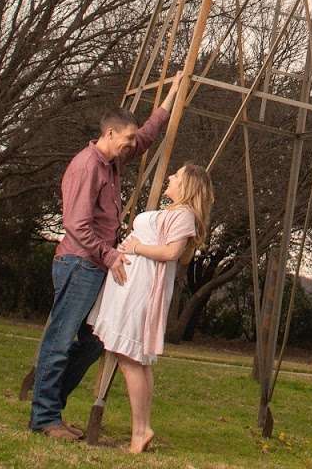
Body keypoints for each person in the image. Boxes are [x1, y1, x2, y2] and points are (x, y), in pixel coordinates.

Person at [28, 80, 179, 441]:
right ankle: (45, 418)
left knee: (94, 341)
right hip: (79, 264)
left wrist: (172, 97)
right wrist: (110, 255)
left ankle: (51, 410)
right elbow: (76, 224)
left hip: (95, 267)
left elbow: (143, 137)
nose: (130, 144)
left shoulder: (112, 159)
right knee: (61, 339)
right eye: (124, 138)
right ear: (109, 134)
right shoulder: (87, 167)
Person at [87, 162, 214, 454]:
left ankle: (141, 430)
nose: (170, 176)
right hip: (129, 284)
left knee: (130, 358)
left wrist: (135, 248)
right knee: (133, 359)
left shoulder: (184, 215)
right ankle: (140, 429)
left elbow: (171, 252)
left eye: (177, 176)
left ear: (187, 187)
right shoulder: (171, 212)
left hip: (141, 290)